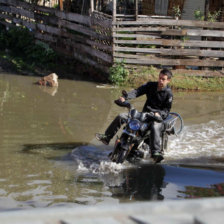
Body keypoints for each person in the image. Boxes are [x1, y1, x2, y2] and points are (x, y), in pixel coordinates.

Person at [96, 68, 173, 163]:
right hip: (144, 114)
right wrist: (125, 97)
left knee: (155, 125)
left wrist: (159, 113)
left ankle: (155, 153)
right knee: (121, 116)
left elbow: (166, 110)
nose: (160, 80)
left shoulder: (169, 93)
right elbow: (137, 91)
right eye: (159, 78)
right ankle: (107, 137)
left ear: (168, 80)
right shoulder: (150, 85)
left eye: (163, 79)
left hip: (155, 117)